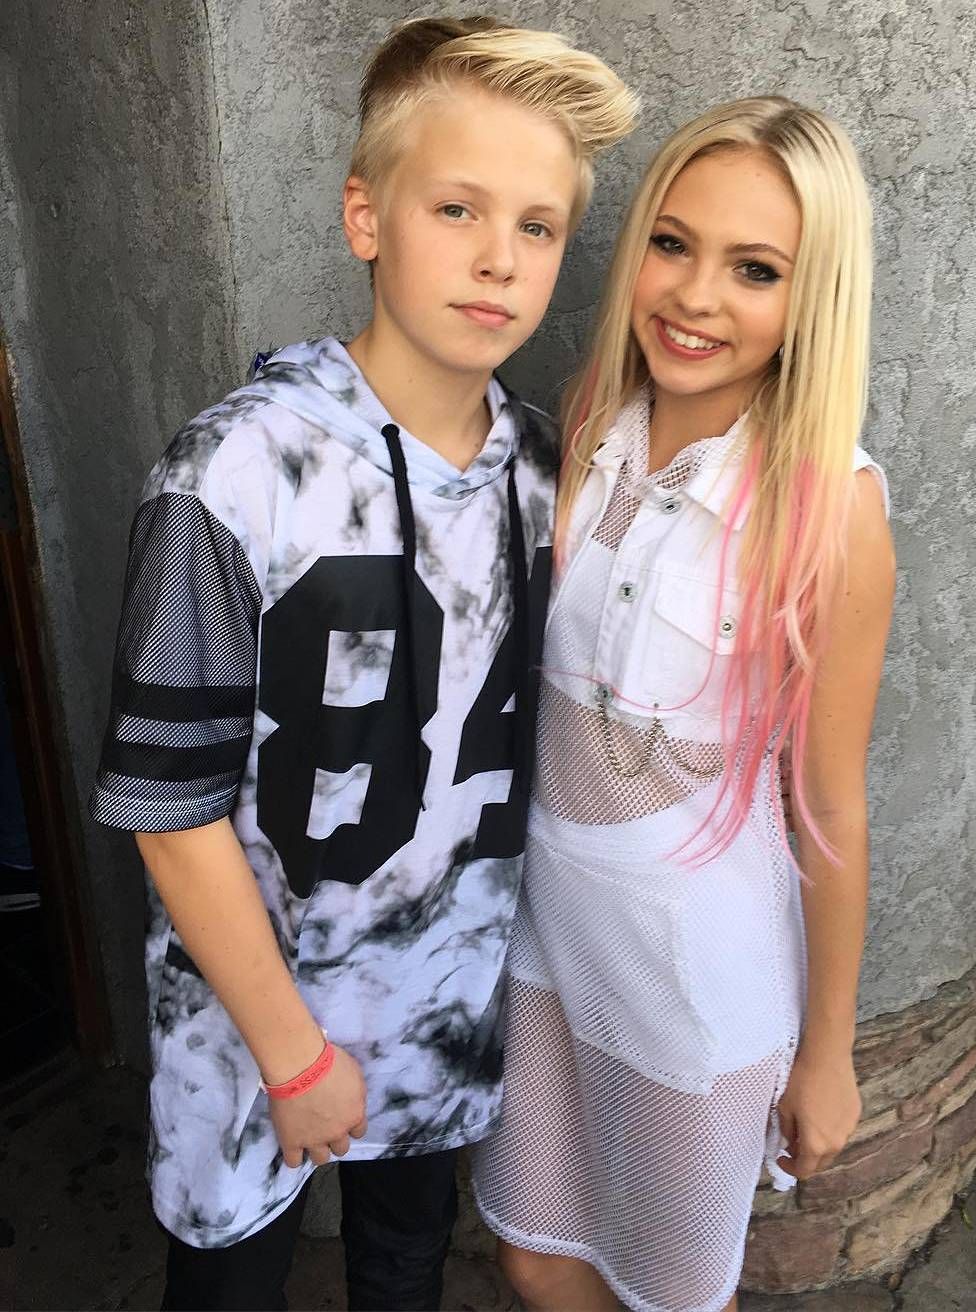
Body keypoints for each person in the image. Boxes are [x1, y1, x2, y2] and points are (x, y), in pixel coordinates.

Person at [89, 17, 636, 1310]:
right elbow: (169, 813)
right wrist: (290, 1056)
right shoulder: (231, 472)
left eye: (539, 225)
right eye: (456, 208)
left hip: (442, 1002)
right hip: (250, 1024)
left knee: (403, 1264)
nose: (499, 257)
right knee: (229, 1285)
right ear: (365, 216)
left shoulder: (555, 474)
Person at [472, 97, 896, 1312]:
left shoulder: (831, 507)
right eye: (672, 243)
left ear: (812, 297)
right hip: (546, 935)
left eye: (755, 269)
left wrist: (828, 1051)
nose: (696, 296)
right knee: (533, 1253)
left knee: (663, 1292)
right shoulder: (590, 426)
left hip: (688, 973)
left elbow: (830, 809)